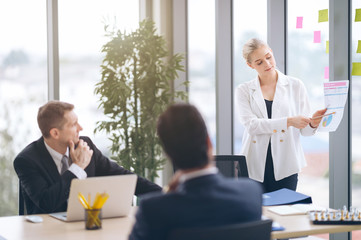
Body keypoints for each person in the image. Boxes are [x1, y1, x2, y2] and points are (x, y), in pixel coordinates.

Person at [129, 103, 263, 240]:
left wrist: (167, 192)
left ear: (167, 154)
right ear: (209, 143)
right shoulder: (250, 192)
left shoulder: (153, 210)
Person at [13, 101, 162, 214]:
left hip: (87, 226)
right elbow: (47, 203)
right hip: (48, 233)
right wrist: (77, 168)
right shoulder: (26, 161)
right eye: (73, 124)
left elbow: (123, 176)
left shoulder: (85, 145)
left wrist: (168, 195)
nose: (81, 128)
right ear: (55, 133)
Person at [236, 38, 326, 193]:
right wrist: (289, 121)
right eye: (259, 62)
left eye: (268, 57)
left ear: (271, 52)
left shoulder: (295, 85)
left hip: (287, 165)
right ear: (250, 65)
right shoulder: (244, 90)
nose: (267, 64)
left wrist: (313, 123)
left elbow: (304, 131)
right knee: (256, 213)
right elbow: (252, 126)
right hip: (254, 165)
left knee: (285, 211)